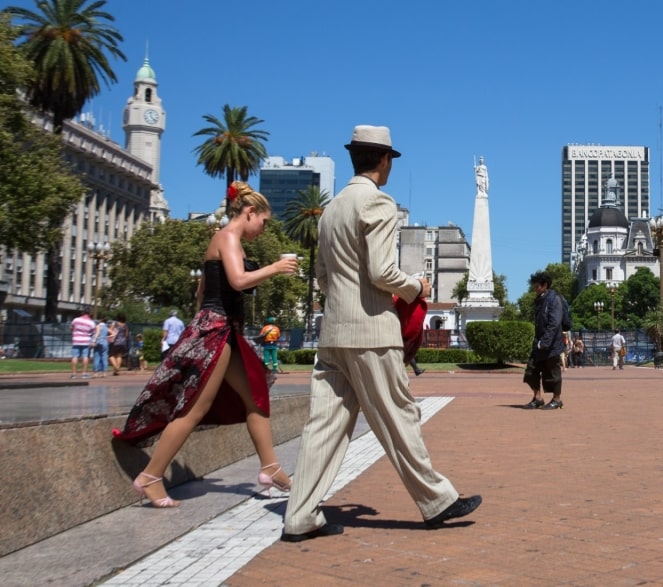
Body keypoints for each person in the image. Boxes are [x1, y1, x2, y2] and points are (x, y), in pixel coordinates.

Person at [283, 125, 480, 542]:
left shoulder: (332, 208)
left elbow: (321, 276)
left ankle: (299, 515)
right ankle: (436, 500)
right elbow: (380, 272)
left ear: (355, 157)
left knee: (324, 425)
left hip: (332, 333)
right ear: (385, 160)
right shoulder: (377, 203)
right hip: (371, 332)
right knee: (398, 415)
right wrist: (417, 286)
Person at [112, 181, 299, 509]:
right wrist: (275, 268)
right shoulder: (226, 238)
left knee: (256, 397)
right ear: (249, 212)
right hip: (217, 332)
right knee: (194, 407)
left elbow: (202, 289)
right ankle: (151, 475)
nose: (264, 229)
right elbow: (238, 281)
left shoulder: (232, 243)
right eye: (264, 222)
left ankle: (271, 469)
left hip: (225, 330)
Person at [523, 270, 567, 408]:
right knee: (531, 370)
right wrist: (539, 342)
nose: (535, 289)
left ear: (545, 285)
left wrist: (545, 342)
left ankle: (557, 400)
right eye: (534, 286)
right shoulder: (540, 300)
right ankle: (537, 398)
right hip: (539, 342)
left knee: (553, 372)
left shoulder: (554, 299)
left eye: (537, 286)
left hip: (552, 343)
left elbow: (554, 323)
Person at [69, 310, 95, 379]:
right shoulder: (91, 322)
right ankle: (84, 373)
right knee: (85, 356)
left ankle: (74, 374)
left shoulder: (76, 320)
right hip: (86, 340)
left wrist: (75, 332)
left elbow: (71, 328)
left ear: (82, 313)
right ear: (89, 314)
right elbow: (92, 332)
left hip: (76, 339)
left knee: (75, 356)